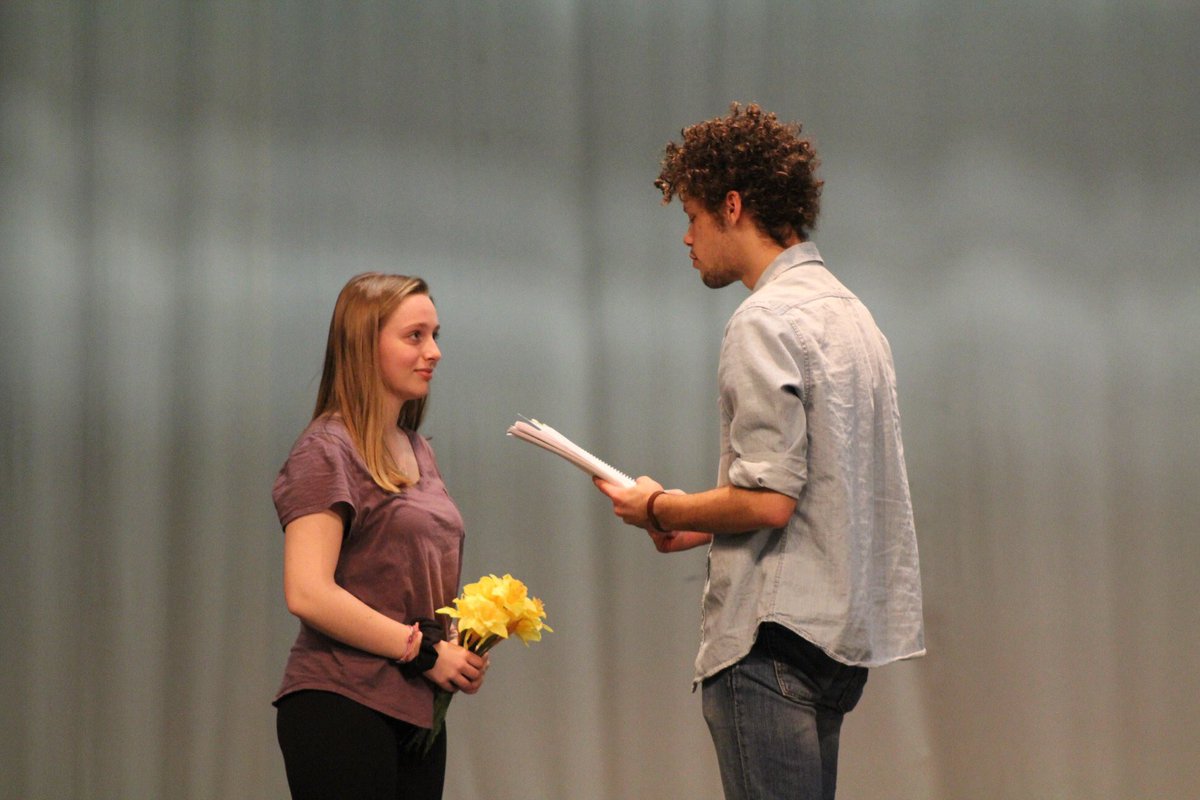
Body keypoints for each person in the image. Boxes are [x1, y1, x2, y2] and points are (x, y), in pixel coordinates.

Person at [593, 103, 925, 800]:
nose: (687, 237)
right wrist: (694, 524)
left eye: (693, 215)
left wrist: (658, 505)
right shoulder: (854, 316)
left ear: (733, 206)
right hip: (836, 641)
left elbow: (771, 501)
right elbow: (821, 493)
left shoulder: (764, 318)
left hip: (771, 646)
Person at [271, 273, 488, 800]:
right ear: (364, 345)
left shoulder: (418, 450)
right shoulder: (326, 450)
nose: (433, 352)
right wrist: (425, 654)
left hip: (414, 712)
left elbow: (403, 581)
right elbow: (307, 592)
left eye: (435, 335)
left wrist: (455, 646)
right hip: (342, 701)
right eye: (415, 336)